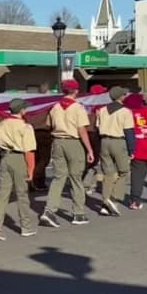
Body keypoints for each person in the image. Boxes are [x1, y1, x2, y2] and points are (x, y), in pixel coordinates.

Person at [40, 80, 94, 228]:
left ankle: (49, 210)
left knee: (59, 177)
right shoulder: (78, 107)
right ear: (76, 91)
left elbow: (48, 124)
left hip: (58, 141)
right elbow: (82, 130)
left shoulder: (55, 107)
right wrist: (89, 149)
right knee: (76, 178)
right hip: (73, 142)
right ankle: (78, 213)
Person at [0, 98, 37, 241]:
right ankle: (26, 227)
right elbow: (29, 151)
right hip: (18, 158)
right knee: (22, 194)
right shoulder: (25, 127)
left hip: (5, 157)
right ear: (22, 110)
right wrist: (31, 170)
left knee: (2, 194)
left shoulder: (1, 124)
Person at [96, 87, 135, 217]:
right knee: (123, 171)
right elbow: (129, 132)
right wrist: (132, 149)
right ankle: (114, 198)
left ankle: (105, 202)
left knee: (107, 174)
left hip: (104, 141)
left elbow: (97, 127)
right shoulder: (125, 111)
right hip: (118, 141)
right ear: (121, 96)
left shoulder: (102, 110)